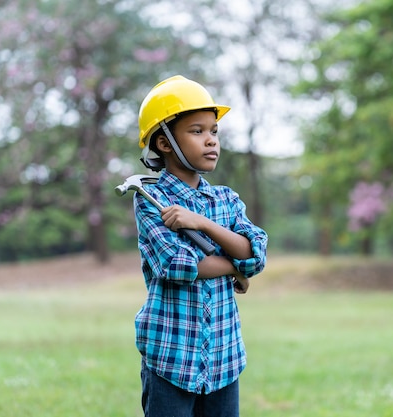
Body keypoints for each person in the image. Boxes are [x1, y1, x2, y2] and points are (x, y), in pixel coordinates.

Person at [132, 75, 268, 417]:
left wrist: (203, 223)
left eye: (214, 131)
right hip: (170, 358)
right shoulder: (152, 200)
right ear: (164, 143)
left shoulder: (226, 199)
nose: (211, 141)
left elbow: (256, 251)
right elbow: (178, 264)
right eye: (197, 131)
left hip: (224, 358)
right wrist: (235, 265)